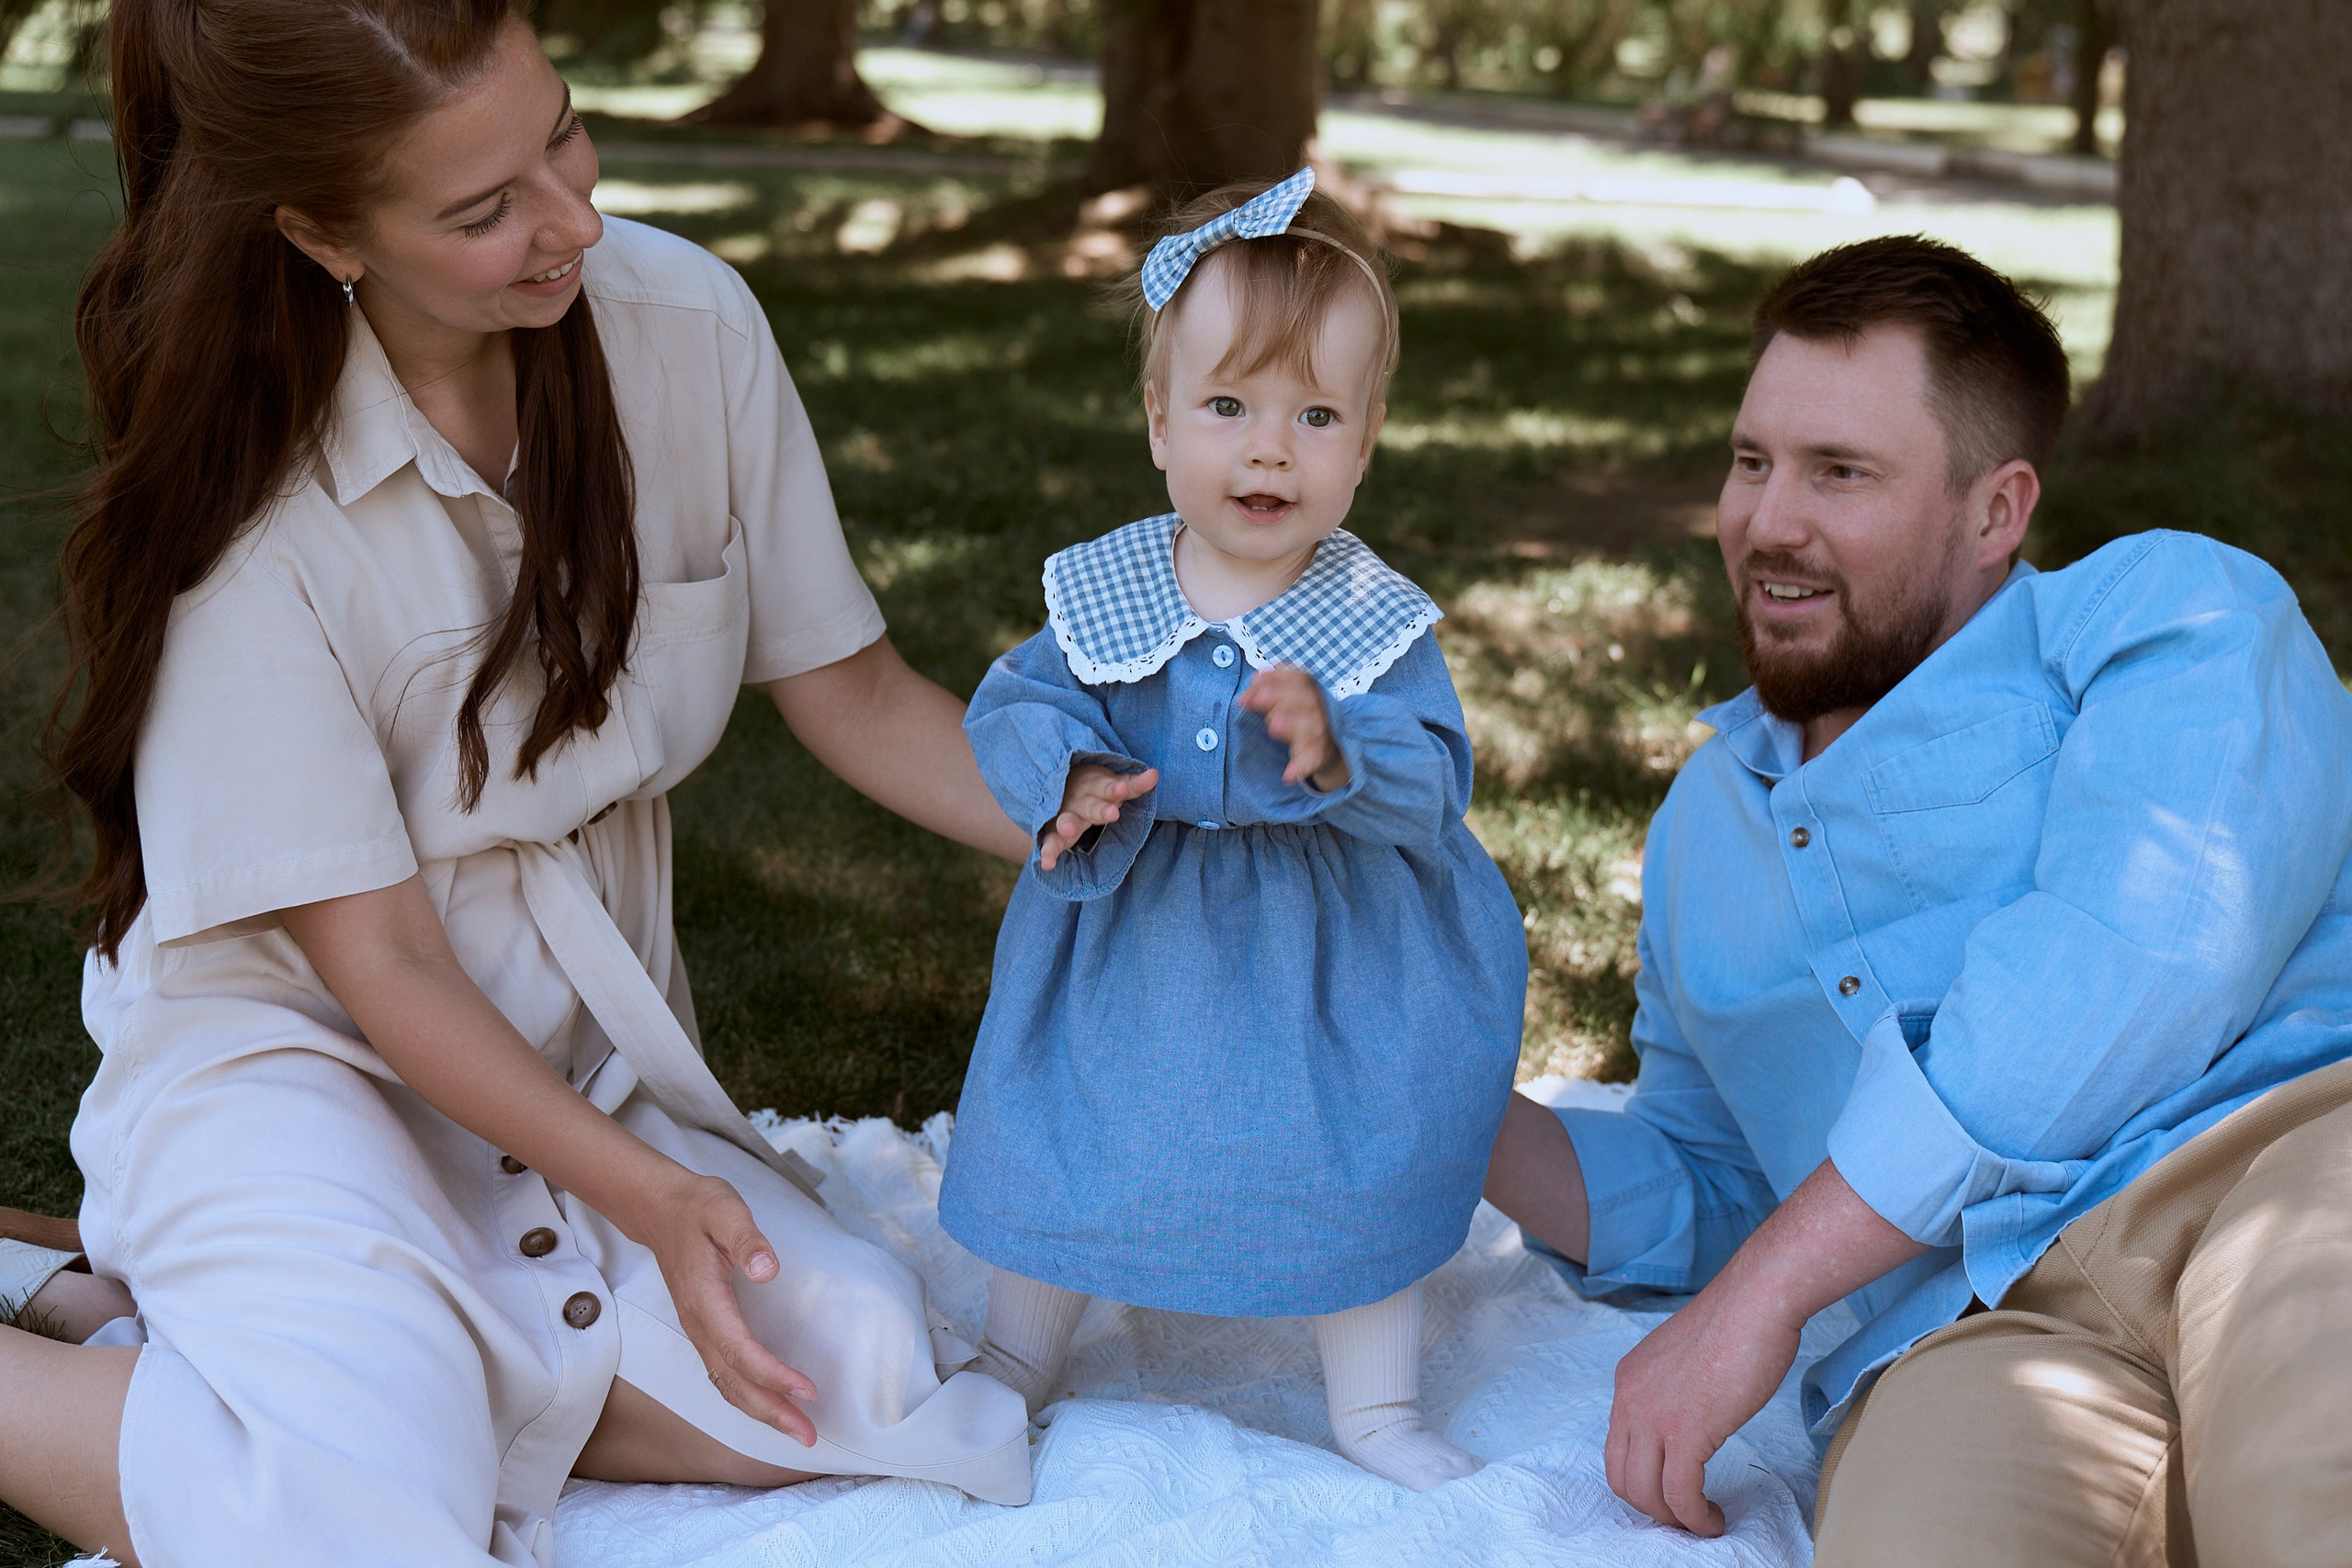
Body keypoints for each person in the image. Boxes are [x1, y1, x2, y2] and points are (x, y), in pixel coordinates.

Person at [0, 3, 1042, 1562]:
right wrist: (653, 1201)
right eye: (487, 209)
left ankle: (203, 1322)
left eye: (563, 134)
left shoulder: (687, 325)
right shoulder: (249, 511)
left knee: (877, 1389)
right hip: (303, 1054)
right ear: (325, 234)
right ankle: (249, 1329)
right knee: (363, 1525)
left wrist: (1111, 825)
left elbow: (862, 695)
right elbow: (386, 965)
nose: (576, 222)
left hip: (579, 1049)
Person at [1482, 234, 2352, 1564]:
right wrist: (1437, 1107)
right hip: (1968, 1327)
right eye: (1752, 461)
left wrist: (1769, 1292)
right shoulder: (1705, 827)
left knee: (2307, 1498)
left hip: (2277, 1169)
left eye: (1841, 472)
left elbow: (2134, 957)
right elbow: (1716, 1181)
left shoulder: (2165, 615)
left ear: (1996, 513)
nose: (1769, 522)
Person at [934, 172, 1528, 1493]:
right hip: (1130, 948)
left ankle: (1376, 1403)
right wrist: (1069, 777)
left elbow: (1436, 780)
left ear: (1367, 442)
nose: (1270, 451)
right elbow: (1017, 702)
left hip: (1333, 958)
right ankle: (1015, 1353)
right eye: (1228, 408)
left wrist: (1340, 749)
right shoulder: (1109, 590)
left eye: (1316, 415)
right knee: (1073, 1130)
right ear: (1159, 422)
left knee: (1350, 1158)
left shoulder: (1372, 621)